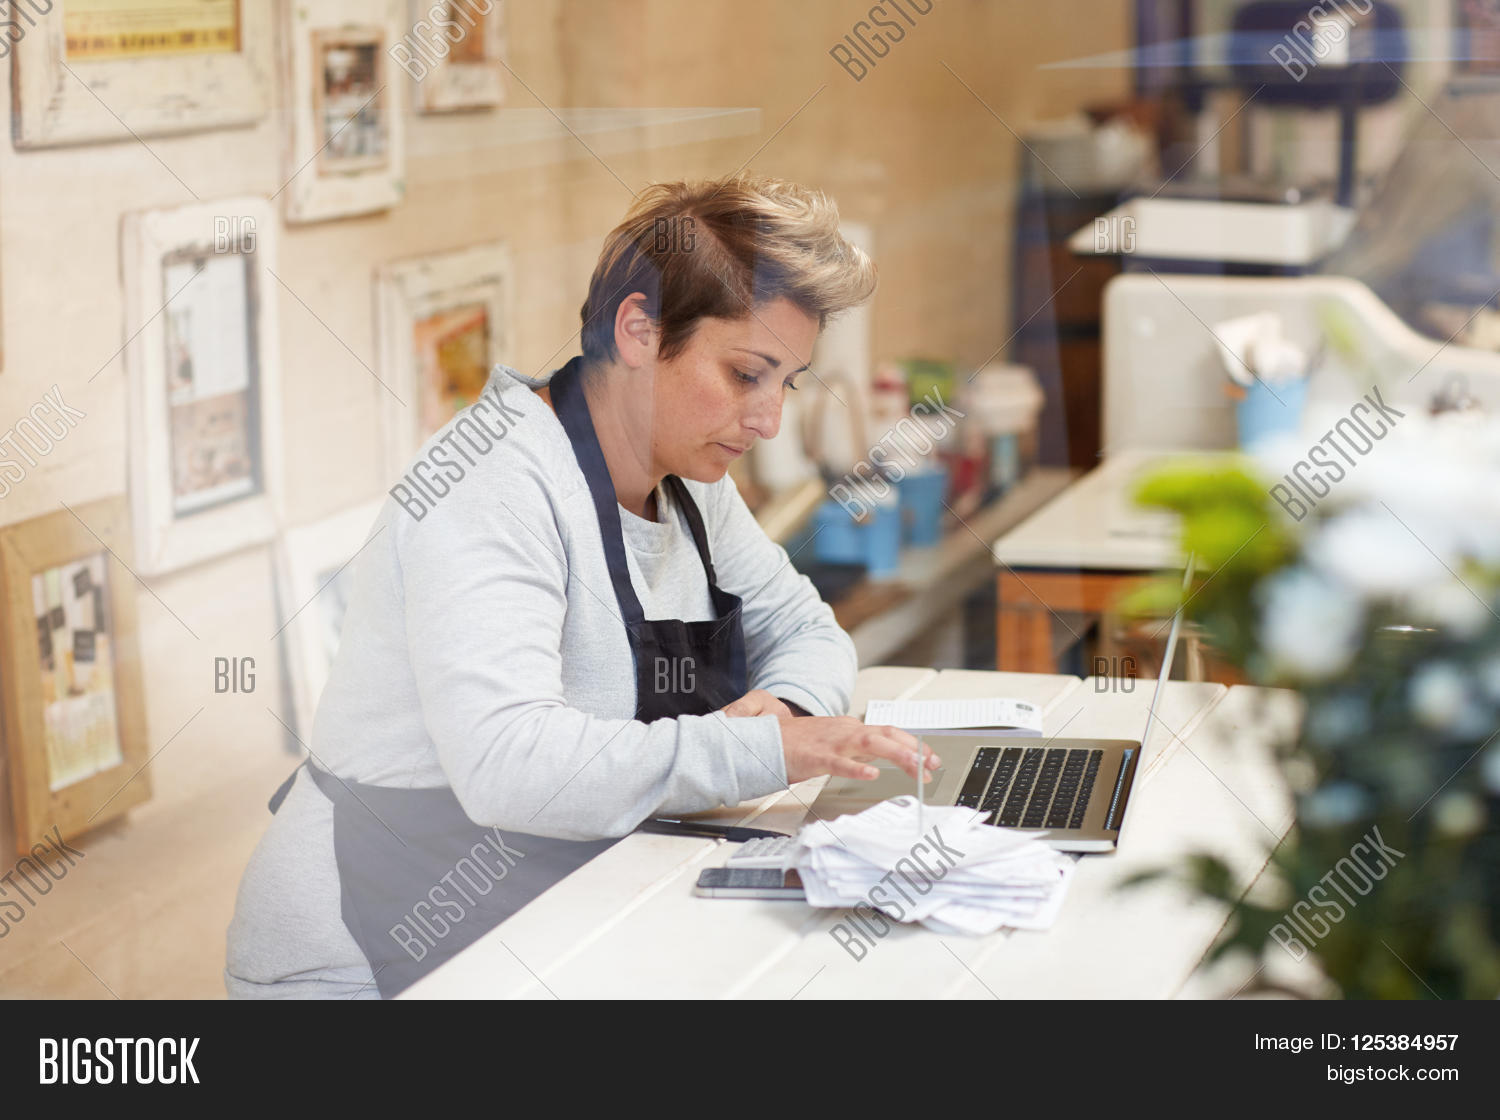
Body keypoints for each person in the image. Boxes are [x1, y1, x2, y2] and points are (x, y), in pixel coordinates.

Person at [225, 173, 938, 998]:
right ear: (639, 329)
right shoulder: (490, 482)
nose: (770, 418)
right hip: (373, 953)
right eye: (747, 374)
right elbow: (509, 763)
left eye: (789, 381)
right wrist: (763, 751)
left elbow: (809, 632)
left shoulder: (690, 476)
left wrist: (785, 712)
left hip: (552, 905)